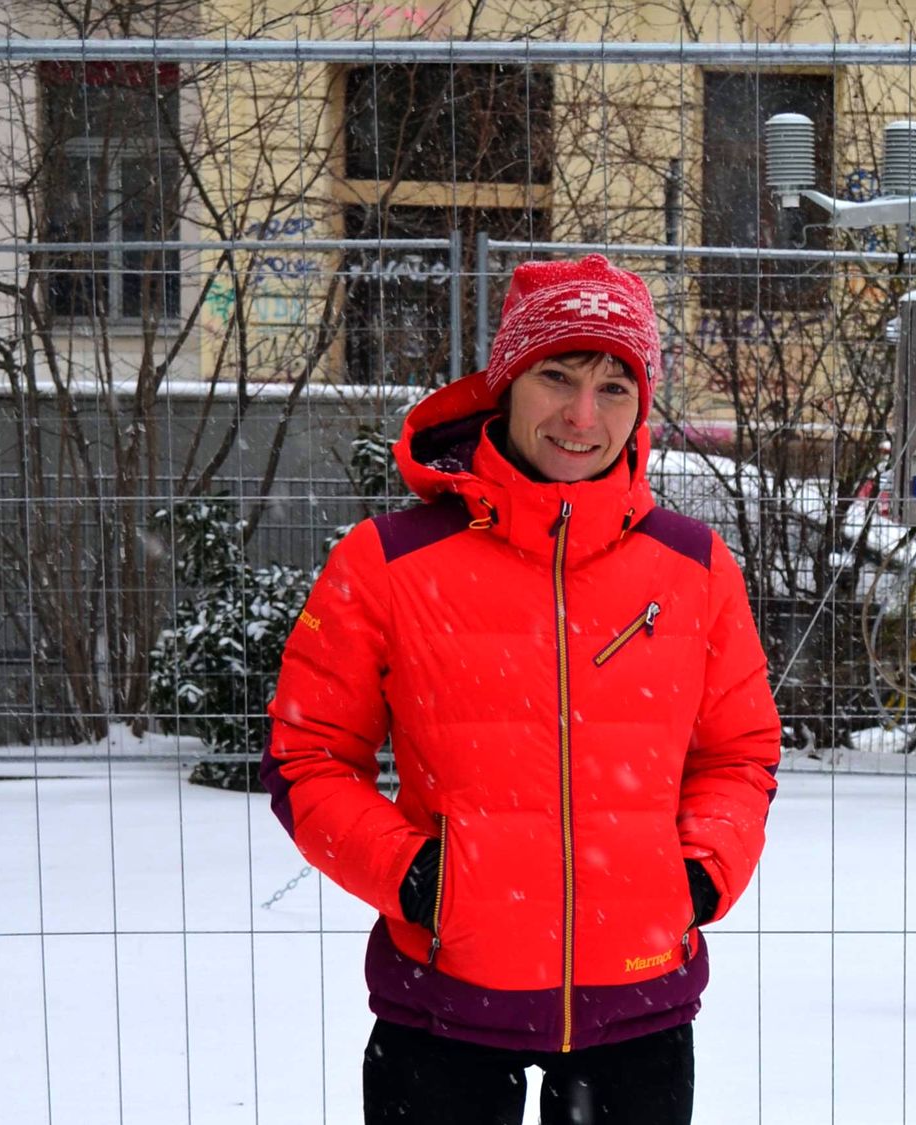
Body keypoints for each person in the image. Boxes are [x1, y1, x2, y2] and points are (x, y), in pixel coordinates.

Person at [262, 254, 782, 1124]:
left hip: (637, 1010)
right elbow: (305, 754)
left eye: (616, 385)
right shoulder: (388, 560)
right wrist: (420, 877)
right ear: (506, 384)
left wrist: (694, 875)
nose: (584, 415)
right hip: (445, 1009)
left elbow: (741, 751)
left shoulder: (693, 568)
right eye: (559, 375)